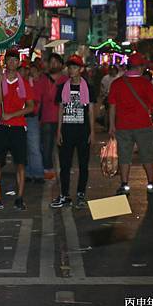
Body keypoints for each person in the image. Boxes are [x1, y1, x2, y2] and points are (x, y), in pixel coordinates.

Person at [108, 52, 153, 195]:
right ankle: (151, 184)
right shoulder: (146, 84)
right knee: (148, 155)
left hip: (123, 126)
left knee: (124, 155)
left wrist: (111, 125)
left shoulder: (116, 84)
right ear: (139, 68)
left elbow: (112, 106)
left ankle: (124, 185)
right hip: (143, 125)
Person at [0, 48, 34, 211]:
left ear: (19, 63)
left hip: (18, 127)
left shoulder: (24, 83)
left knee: (20, 164)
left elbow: (31, 107)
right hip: (0, 126)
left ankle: (20, 198)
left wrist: (13, 114)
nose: (12, 63)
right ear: (5, 62)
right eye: (9, 59)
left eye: (15, 60)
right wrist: (0, 83)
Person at [51, 55, 96, 209]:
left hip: (83, 131)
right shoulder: (63, 87)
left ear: (81, 69)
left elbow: (90, 110)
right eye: (70, 67)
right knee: (65, 165)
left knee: (83, 165)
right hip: (67, 130)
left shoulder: (88, 88)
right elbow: (60, 110)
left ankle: (81, 194)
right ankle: (64, 195)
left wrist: (92, 132)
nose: (72, 70)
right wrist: (59, 131)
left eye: (75, 67)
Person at [39, 53, 67, 180]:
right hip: (47, 118)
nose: (53, 64)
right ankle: (48, 170)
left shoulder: (66, 80)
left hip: (64, 118)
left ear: (61, 64)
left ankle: (63, 170)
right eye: (51, 62)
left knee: (64, 147)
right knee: (47, 146)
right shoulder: (43, 79)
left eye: (56, 62)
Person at [25, 62, 45, 183]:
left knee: (34, 146)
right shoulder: (26, 83)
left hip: (33, 116)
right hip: (24, 116)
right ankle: (29, 172)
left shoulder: (39, 83)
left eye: (33, 71)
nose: (31, 73)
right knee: (27, 146)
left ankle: (37, 173)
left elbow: (39, 101)